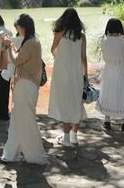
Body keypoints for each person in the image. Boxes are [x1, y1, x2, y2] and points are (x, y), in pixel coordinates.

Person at [0, 14, 47, 165]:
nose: (16, 30)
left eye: (17, 27)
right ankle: (11, 153)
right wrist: (12, 46)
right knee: (18, 120)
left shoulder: (31, 43)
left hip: (25, 86)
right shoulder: (33, 42)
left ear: (23, 27)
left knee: (26, 121)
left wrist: (8, 46)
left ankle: (35, 156)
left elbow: (16, 60)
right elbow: (20, 56)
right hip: (27, 85)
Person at [48, 8, 88, 147]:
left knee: (65, 103)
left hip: (62, 73)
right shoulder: (82, 37)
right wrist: (86, 75)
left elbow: (52, 50)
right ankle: (74, 137)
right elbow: (83, 58)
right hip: (76, 73)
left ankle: (66, 138)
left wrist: (60, 58)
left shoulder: (59, 34)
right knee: (76, 103)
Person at [97, 19, 124, 132]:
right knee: (123, 93)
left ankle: (107, 121)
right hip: (121, 70)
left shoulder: (104, 41)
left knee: (108, 93)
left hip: (108, 70)